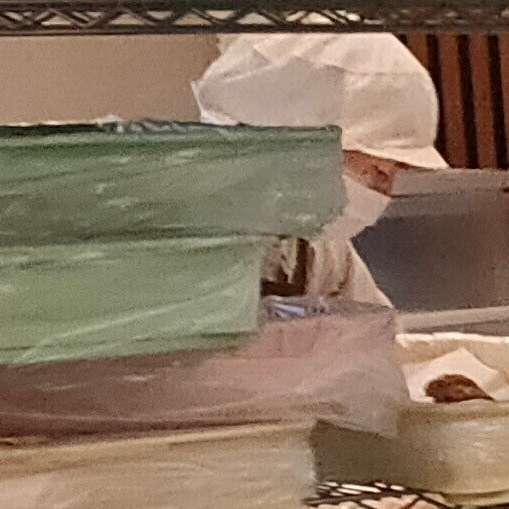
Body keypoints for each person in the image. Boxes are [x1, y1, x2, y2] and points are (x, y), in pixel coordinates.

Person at [189, 31, 443, 304]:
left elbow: (376, 322)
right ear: (297, 146)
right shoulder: (183, 244)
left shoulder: (318, 249)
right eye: (377, 171)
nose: (385, 192)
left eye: (394, 174)